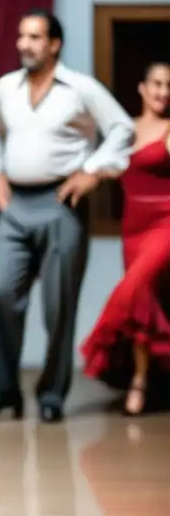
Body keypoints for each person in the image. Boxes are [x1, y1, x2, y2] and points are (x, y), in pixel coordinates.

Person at [0, 9, 134, 424]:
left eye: (35, 37)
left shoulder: (79, 88)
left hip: (62, 204)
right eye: (21, 36)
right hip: (16, 206)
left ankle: (51, 395)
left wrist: (92, 171)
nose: (24, 44)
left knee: (57, 305)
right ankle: (3, 393)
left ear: (55, 44)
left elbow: (121, 129)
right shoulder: (6, 87)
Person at [80, 61, 170, 416]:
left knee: (132, 289)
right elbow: (103, 167)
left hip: (165, 224)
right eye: (158, 84)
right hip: (132, 227)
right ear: (143, 88)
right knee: (143, 303)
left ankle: (102, 342)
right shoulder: (125, 130)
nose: (164, 91)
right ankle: (141, 381)